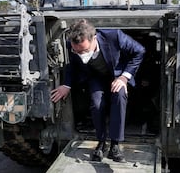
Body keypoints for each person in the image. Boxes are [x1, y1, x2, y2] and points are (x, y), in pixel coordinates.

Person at [51, 19, 145, 162]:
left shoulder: (114, 36)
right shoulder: (73, 46)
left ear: (94, 39)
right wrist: (66, 85)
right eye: (78, 52)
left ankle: (115, 145)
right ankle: (101, 142)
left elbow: (139, 51)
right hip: (95, 77)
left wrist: (124, 77)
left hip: (117, 75)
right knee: (96, 104)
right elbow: (71, 65)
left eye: (85, 51)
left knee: (119, 97)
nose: (82, 55)